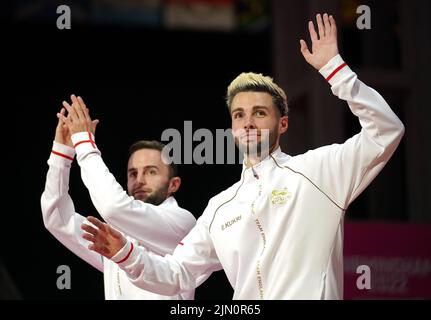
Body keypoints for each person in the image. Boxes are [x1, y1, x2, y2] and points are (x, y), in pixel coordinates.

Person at [77, 13, 405, 299]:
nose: (247, 121)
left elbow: (386, 131)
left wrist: (336, 70)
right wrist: (125, 253)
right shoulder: (220, 208)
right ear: (232, 128)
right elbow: (177, 274)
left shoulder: (320, 172)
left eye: (259, 113)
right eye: (238, 115)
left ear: (283, 123)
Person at [41, 104, 196, 299]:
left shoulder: (183, 223)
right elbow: (57, 219)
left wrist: (84, 142)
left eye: (150, 171)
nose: (139, 180)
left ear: (174, 184)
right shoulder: (116, 233)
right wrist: (61, 155)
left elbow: (113, 207)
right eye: (133, 173)